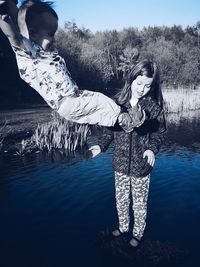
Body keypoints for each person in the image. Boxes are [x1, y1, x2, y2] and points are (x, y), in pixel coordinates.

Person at [0, 0, 146, 133]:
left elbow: (22, 22)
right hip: (67, 102)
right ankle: (125, 120)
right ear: (32, 33)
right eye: (50, 34)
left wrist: (11, 5)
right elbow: (14, 36)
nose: (54, 38)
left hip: (73, 98)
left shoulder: (42, 49)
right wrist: (3, 15)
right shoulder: (30, 53)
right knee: (100, 101)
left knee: (100, 102)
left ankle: (121, 120)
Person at [88, 60, 167, 248]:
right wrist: (101, 146)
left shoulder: (153, 108)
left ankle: (137, 234)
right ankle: (123, 228)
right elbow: (108, 131)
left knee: (139, 205)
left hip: (142, 167)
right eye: (139, 83)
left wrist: (151, 149)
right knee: (121, 200)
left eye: (147, 86)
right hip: (120, 165)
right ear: (131, 79)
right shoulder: (117, 103)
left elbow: (160, 132)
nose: (142, 89)